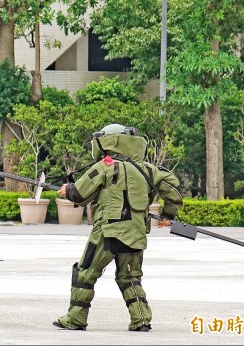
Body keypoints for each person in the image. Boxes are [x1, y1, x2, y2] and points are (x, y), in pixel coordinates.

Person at [52, 124, 183, 332]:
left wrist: (68, 190)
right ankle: (141, 320)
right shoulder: (147, 169)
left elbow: (80, 194)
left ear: (109, 142)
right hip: (135, 234)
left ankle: (76, 319)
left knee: (85, 273)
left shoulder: (106, 164)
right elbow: (174, 190)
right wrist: (168, 214)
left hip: (107, 234)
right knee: (130, 277)